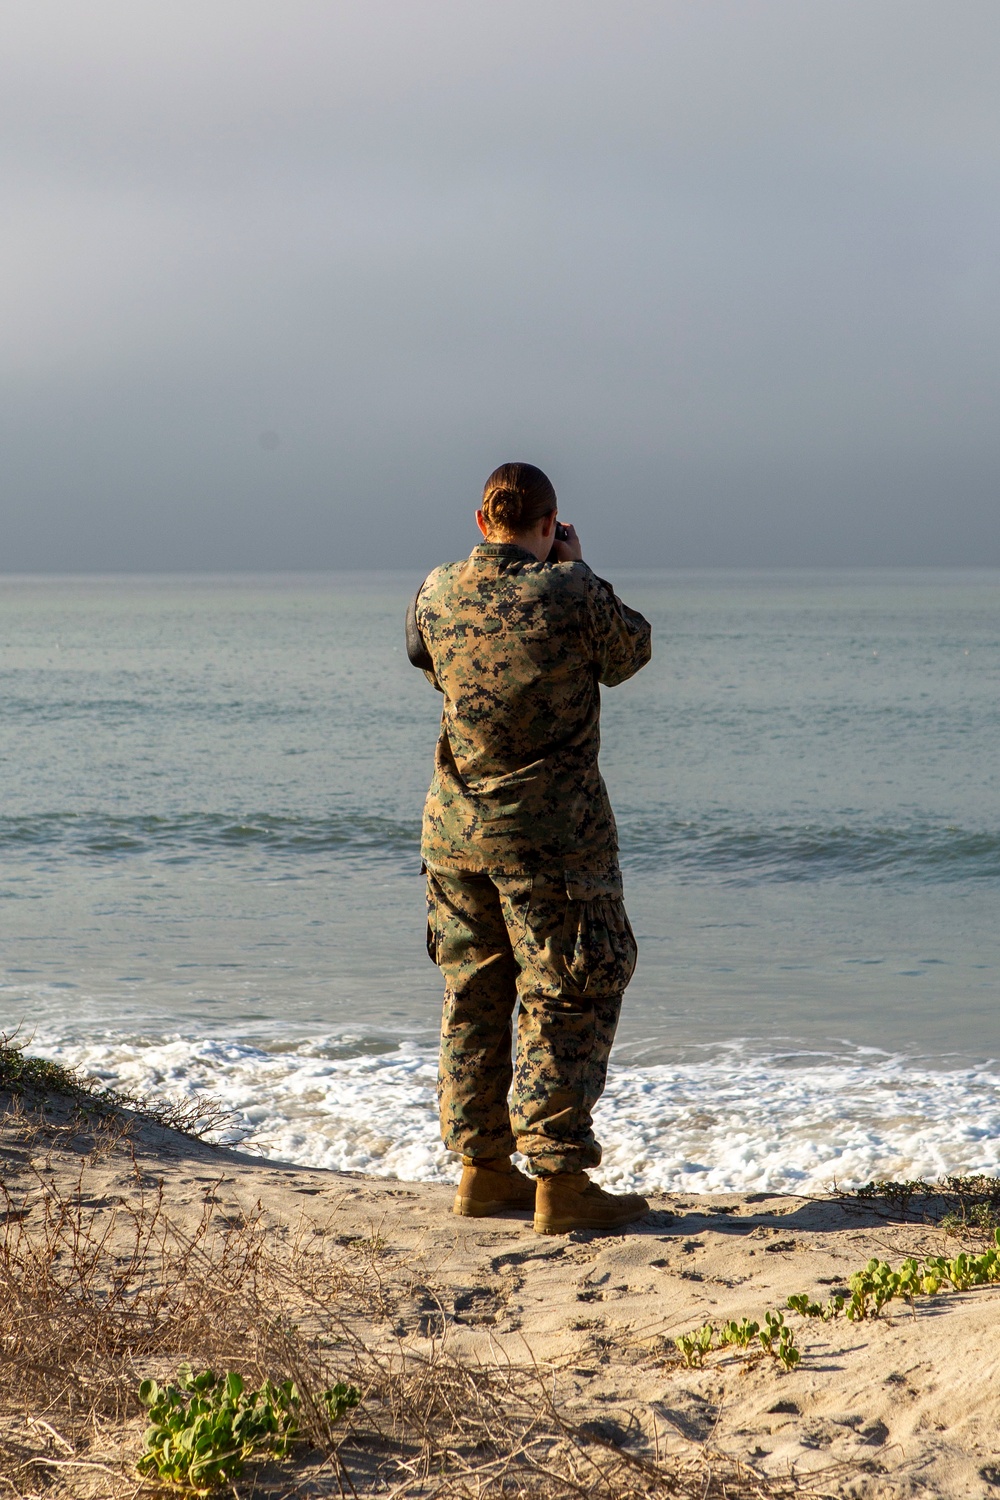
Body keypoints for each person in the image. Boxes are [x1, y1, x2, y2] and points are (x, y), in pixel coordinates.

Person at [409, 462, 652, 1234]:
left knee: (474, 994)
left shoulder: (436, 590)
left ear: (483, 522)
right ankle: (559, 1183)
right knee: (568, 993)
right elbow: (631, 652)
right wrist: (576, 569)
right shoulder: (572, 590)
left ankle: (482, 1173)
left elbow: (423, 657)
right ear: (549, 526)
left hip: (455, 834)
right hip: (553, 842)